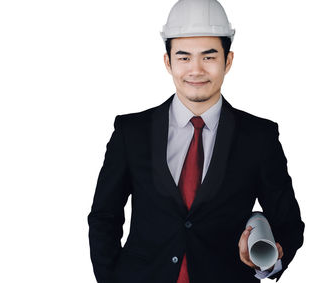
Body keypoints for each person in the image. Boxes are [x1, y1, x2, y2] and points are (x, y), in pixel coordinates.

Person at [87, 0, 304, 282]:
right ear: (168, 62)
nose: (196, 70)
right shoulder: (132, 132)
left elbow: (288, 223)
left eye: (209, 57)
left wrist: (266, 262)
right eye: (184, 57)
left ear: (228, 61)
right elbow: (105, 217)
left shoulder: (258, 137)